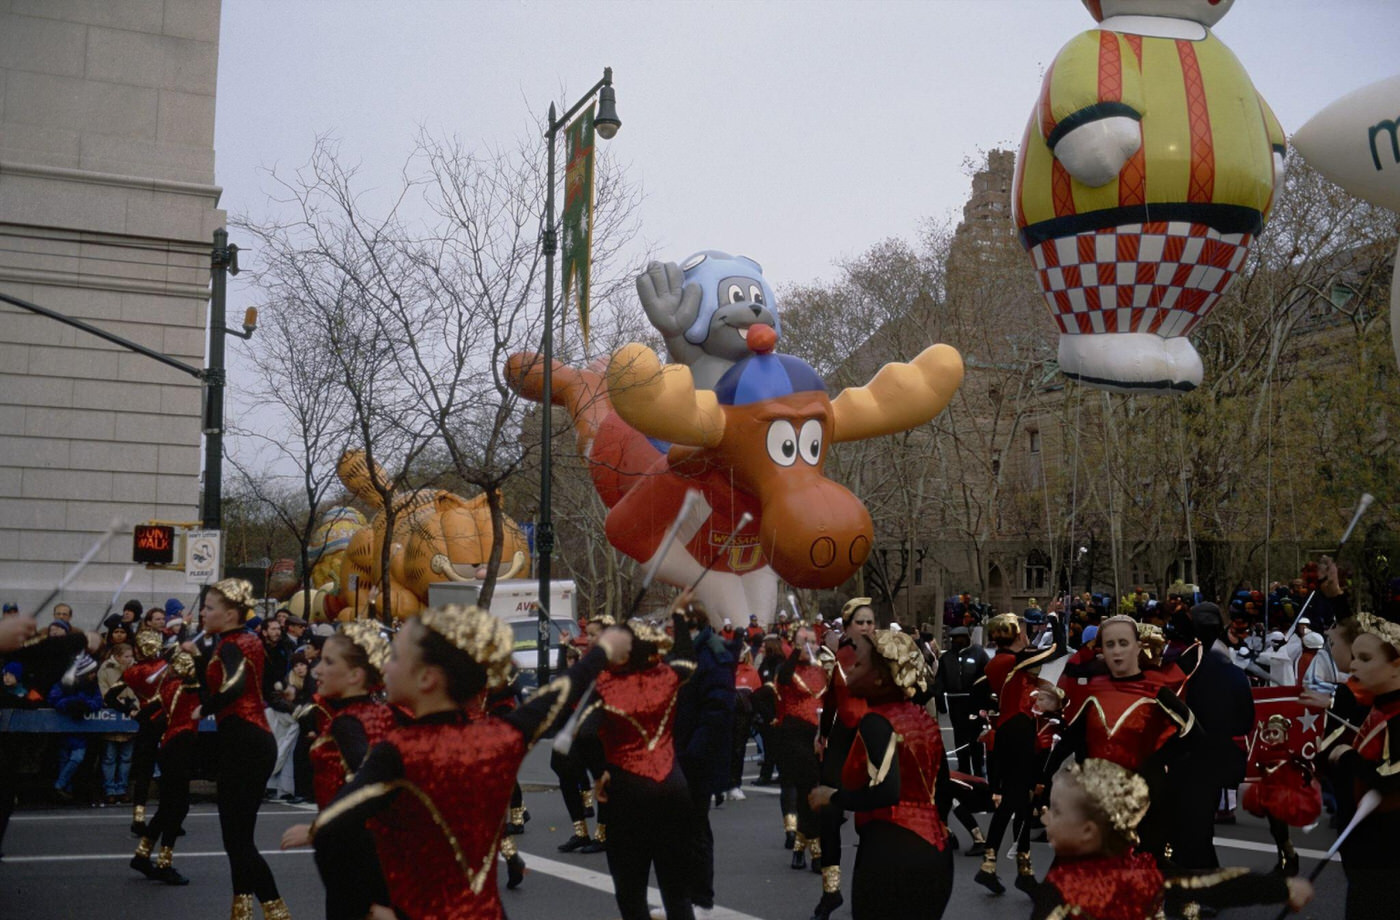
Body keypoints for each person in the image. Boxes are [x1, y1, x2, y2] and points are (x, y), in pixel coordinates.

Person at [298, 605, 626, 920]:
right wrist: (602, 651)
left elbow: (330, 829)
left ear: (427, 679)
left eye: (396, 657)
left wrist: (365, 909)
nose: (385, 667)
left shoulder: (399, 751)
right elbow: (560, 692)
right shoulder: (500, 737)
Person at [1029, 758, 1311, 919]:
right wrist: (1281, 890)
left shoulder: (1062, 890)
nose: (1045, 817)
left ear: (1089, 830)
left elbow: (1212, 884)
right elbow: (1210, 884)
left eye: (1057, 811)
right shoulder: (1136, 872)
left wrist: (1279, 889)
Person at [809, 629, 952, 920]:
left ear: (879, 678)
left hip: (890, 850)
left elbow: (887, 791)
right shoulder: (923, 718)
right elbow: (944, 791)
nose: (850, 671)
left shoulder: (876, 720)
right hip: (936, 853)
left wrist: (833, 796)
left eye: (859, 665)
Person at [1045, 615, 1197, 860]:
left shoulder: (1157, 691)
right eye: (1110, 644)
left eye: (1124, 643)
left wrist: (1156, 762)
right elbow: (1071, 739)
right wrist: (1043, 780)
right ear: (1102, 651)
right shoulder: (1094, 690)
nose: (1117, 652)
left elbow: (1194, 737)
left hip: (1147, 803)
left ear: (1138, 646)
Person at [186, 578, 290, 920]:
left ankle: (277, 912)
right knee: (237, 837)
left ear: (230, 614)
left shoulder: (232, 644)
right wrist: (201, 660)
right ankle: (242, 910)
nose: (204, 612)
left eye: (211, 607)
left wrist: (209, 706)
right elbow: (224, 681)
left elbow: (235, 685)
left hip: (244, 742)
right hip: (249, 740)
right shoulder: (242, 640)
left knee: (238, 840)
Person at [280, 622, 396, 920]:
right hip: (369, 849)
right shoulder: (378, 713)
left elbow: (369, 782)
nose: (317, 670)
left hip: (353, 852)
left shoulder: (348, 723)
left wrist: (317, 828)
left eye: (329, 662)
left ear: (356, 676)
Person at [1318, 612, 1400, 920]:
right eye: (1354, 657)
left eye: (1364, 658)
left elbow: (1388, 780)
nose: (1353, 665)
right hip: (1364, 847)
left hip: (1386, 851)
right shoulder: (1378, 706)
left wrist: (1346, 757)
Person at [972, 613, 1056, 895]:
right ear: (1014, 633)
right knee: (1022, 797)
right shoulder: (1013, 661)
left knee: (1014, 800)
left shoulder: (998, 662)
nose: (1026, 632)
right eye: (1022, 629)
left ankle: (994, 864)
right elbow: (1057, 649)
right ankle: (1021, 869)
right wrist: (1055, 621)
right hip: (1019, 730)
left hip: (1009, 730)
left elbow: (979, 690)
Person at [672, 595, 736, 913]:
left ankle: (701, 899)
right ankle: (685, 897)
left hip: (697, 757)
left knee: (696, 829)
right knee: (681, 830)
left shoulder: (713, 651)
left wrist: (693, 751)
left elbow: (719, 707)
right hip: (681, 752)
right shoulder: (685, 650)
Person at [130, 649, 201, 885]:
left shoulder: (166, 688)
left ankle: (142, 854)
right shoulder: (187, 686)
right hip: (180, 746)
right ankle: (164, 862)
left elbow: (144, 714)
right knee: (178, 807)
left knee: (168, 807)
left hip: (169, 745)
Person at [771, 624, 827, 870]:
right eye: (804, 642)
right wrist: (796, 651)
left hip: (819, 738)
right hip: (795, 737)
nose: (809, 646)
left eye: (813, 642)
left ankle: (799, 846)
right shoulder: (787, 669)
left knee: (814, 796)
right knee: (808, 790)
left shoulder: (823, 671)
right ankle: (815, 851)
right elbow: (782, 678)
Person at [123, 627, 169, 836]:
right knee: (170, 771)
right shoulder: (166, 667)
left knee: (145, 772)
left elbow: (110, 697)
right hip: (166, 721)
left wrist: (130, 710)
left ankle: (138, 818)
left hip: (146, 723)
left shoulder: (132, 672)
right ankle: (170, 816)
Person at [933, 626, 989, 778]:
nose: (957, 642)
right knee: (960, 737)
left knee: (976, 738)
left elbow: (987, 678)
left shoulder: (979, 654)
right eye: (954, 639)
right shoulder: (947, 658)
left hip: (974, 703)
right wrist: (941, 704)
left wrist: (986, 703)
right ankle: (963, 769)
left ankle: (978, 770)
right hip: (955, 704)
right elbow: (939, 682)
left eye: (960, 638)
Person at [97, 641, 137, 805]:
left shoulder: (135, 669)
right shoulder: (106, 669)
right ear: (118, 657)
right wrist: (123, 705)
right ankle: (109, 789)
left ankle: (122, 788)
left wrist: (135, 706)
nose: (130, 659)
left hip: (132, 715)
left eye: (131, 656)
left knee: (126, 757)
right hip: (113, 715)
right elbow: (105, 693)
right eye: (126, 656)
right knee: (109, 757)